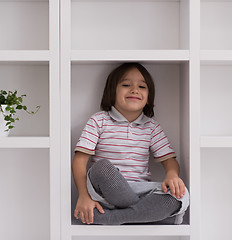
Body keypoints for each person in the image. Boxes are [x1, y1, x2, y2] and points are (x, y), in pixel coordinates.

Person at [72, 62, 189, 225]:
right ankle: (142, 215)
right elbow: (79, 160)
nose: (134, 90)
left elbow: (170, 162)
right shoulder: (99, 121)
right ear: (112, 92)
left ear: (149, 97)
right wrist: (83, 195)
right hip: (105, 194)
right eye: (126, 85)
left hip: (139, 191)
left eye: (142, 87)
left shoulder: (151, 127)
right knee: (102, 167)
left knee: (181, 196)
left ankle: (113, 217)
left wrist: (172, 175)